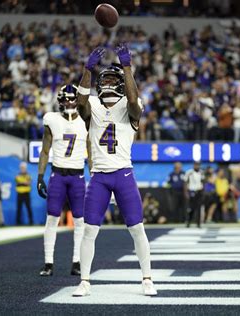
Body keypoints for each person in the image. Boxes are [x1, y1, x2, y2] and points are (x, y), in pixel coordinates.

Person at [72, 45, 157, 296]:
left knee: (136, 228)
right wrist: (88, 70)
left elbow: (132, 101)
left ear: (120, 83)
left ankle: (147, 278)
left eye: (112, 78)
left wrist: (127, 67)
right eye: (104, 78)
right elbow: (80, 102)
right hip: (99, 176)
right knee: (89, 229)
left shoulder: (131, 105)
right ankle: (85, 281)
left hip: (123, 174)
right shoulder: (94, 106)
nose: (107, 82)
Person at [36, 84, 87, 277]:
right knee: (52, 218)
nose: (69, 102)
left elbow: (90, 152)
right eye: (66, 99)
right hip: (57, 174)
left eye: (72, 98)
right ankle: (48, 262)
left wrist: (96, 173)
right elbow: (45, 150)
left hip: (77, 176)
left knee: (80, 220)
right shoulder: (52, 120)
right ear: (60, 100)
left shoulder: (85, 120)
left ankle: (77, 262)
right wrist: (40, 176)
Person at [184, 161, 204, 228]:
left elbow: (203, 182)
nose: (197, 166)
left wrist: (202, 190)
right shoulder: (189, 172)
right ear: (193, 165)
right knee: (191, 208)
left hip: (199, 191)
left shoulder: (201, 172)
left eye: (198, 165)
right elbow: (185, 183)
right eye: (195, 165)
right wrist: (186, 193)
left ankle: (198, 223)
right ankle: (188, 222)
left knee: (199, 208)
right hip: (191, 191)